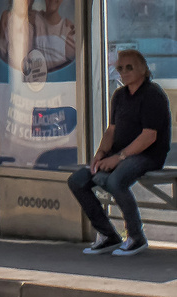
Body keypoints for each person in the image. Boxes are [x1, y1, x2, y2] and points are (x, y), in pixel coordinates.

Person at [69, 49, 169, 257]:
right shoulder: (119, 95)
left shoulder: (153, 95)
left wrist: (119, 158)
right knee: (78, 180)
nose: (123, 72)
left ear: (142, 69)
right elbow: (111, 130)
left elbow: (149, 136)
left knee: (115, 182)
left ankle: (136, 236)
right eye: (120, 68)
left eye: (129, 67)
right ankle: (108, 235)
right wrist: (101, 153)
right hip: (117, 153)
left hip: (147, 155)